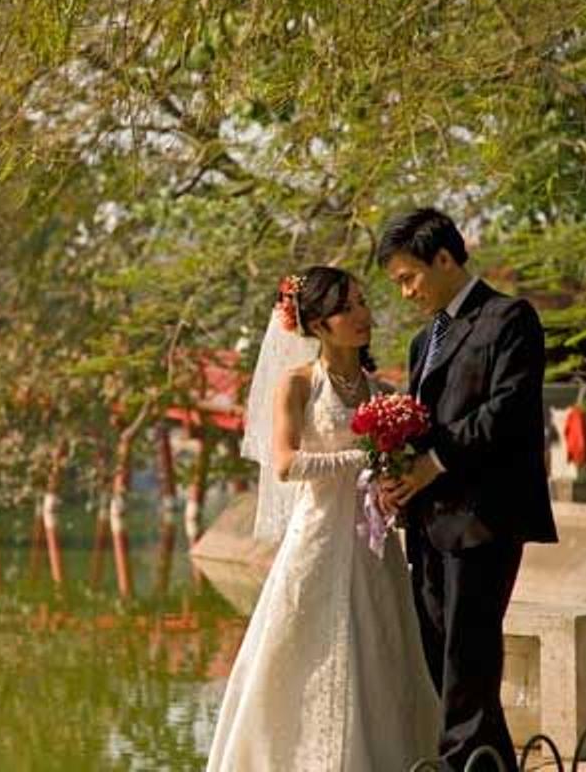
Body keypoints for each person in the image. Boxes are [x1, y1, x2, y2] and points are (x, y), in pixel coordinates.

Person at [207, 266, 440, 771]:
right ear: (317, 325)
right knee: (306, 657)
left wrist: (390, 484)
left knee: (378, 653)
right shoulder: (298, 385)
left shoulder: (379, 388)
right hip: (316, 539)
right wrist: (362, 461)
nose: (363, 315)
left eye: (362, 302)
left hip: (372, 546)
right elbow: (287, 462)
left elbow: (389, 470)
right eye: (347, 308)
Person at [377, 208, 558, 772]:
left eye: (410, 278)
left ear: (445, 259)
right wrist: (397, 470)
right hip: (429, 520)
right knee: (442, 655)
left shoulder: (509, 318)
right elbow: (417, 421)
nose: (406, 292)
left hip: (485, 516)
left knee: (467, 656)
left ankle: (459, 766)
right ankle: (491, 764)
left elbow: (508, 410)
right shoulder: (420, 341)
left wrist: (435, 460)